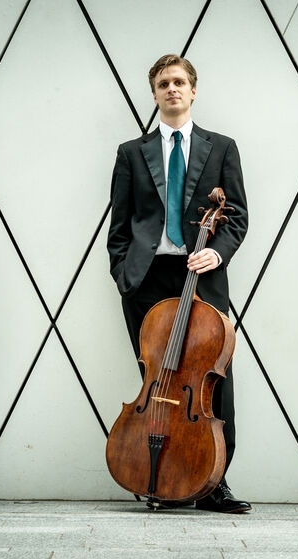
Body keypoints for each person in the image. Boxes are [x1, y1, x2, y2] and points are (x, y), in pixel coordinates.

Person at [107, 54, 250, 513]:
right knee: (158, 380)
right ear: (154, 94)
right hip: (146, 279)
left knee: (212, 382)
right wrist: (122, 274)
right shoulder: (131, 152)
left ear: (193, 91)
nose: (172, 89)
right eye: (164, 83)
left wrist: (218, 251)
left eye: (180, 82)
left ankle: (213, 482)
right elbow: (120, 226)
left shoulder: (222, 146)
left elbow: (238, 217)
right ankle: (164, 477)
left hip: (201, 274)